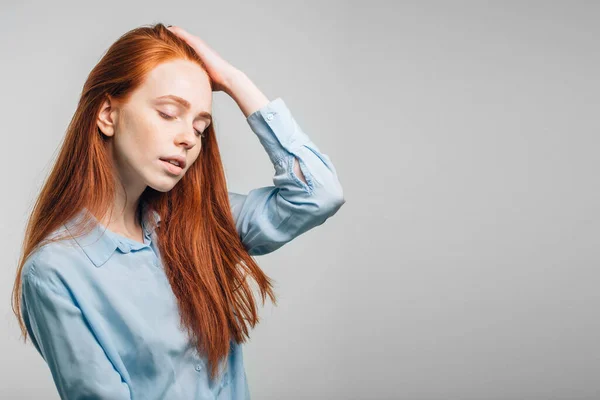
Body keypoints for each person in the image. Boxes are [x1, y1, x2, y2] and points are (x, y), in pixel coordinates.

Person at [11, 23, 345, 399]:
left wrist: (234, 81)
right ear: (107, 114)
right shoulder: (56, 272)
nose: (188, 137)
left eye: (200, 127)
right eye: (169, 113)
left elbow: (319, 193)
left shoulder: (200, 222)